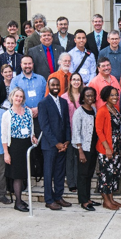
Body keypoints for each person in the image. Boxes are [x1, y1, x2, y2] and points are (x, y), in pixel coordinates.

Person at [38, 77, 72, 210]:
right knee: (48, 173)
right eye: (53, 85)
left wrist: (67, 140)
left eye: (58, 85)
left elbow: (67, 123)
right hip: (50, 145)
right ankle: (49, 199)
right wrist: (56, 143)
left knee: (59, 172)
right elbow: (44, 126)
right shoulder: (43, 103)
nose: (56, 87)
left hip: (63, 144)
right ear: (48, 86)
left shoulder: (64, 102)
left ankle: (58, 196)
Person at [1, 88, 35, 212]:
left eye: (21, 97)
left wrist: (33, 137)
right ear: (12, 97)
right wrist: (6, 153)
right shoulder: (7, 114)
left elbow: (31, 129)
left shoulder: (28, 112)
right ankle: (18, 202)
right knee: (17, 176)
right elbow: (4, 135)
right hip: (14, 146)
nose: (18, 99)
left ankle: (20, 199)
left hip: (26, 145)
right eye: (16, 96)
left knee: (25, 174)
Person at [95, 85, 121, 210]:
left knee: (113, 175)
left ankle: (111, 199)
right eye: (112, 95)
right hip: (106, 149)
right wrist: (107, 148)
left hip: (116, 148)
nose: (115, 97)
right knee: (106, 175)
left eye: (116, 94)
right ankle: (106, 201)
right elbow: (99, 131)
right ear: (106, 96)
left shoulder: (115, 109)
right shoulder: (102, 110)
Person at [72, 87, 99, 211]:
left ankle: (88, 198)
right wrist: (80, 151)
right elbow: (76, 132)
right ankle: (83, 201)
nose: (90, 98)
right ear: (83, 97)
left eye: (92, 96)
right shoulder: (79, 112)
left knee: (89, 174)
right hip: (83, 148)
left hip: (93, 147)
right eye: (87, 96)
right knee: (82, 175)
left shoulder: (93, 109)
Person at [63, 72, 84, 191]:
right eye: (74, 79)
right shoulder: (64, 97)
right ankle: (71, 182)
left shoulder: (84, 95)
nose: (76, 82)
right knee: (70, 158)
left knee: (80, 158)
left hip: (82, 132)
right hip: (70, 131)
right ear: (70, 82)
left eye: (78, 79)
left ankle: (79, 181)